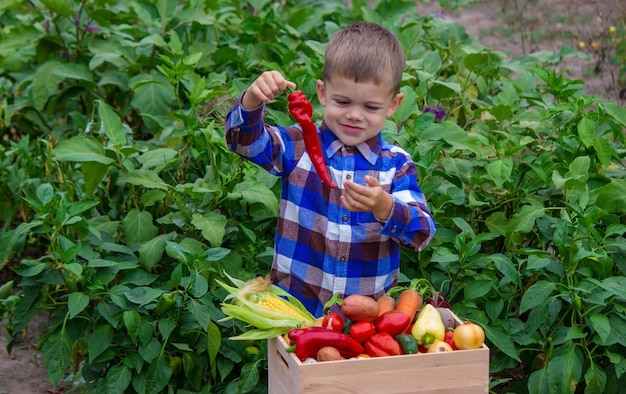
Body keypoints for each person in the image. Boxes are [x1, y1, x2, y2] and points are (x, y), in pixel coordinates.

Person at [225, 21, 436, 317]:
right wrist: (252, 99)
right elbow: (243, 142)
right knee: (290, 364)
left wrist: (386, 207)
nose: (354, 115)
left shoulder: (395, 166)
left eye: (371, 107)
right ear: (322, 93)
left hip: (365, 321)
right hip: (294, 308)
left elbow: (422, 234)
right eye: (342, 101)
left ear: (393, 105)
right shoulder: (298, 147)